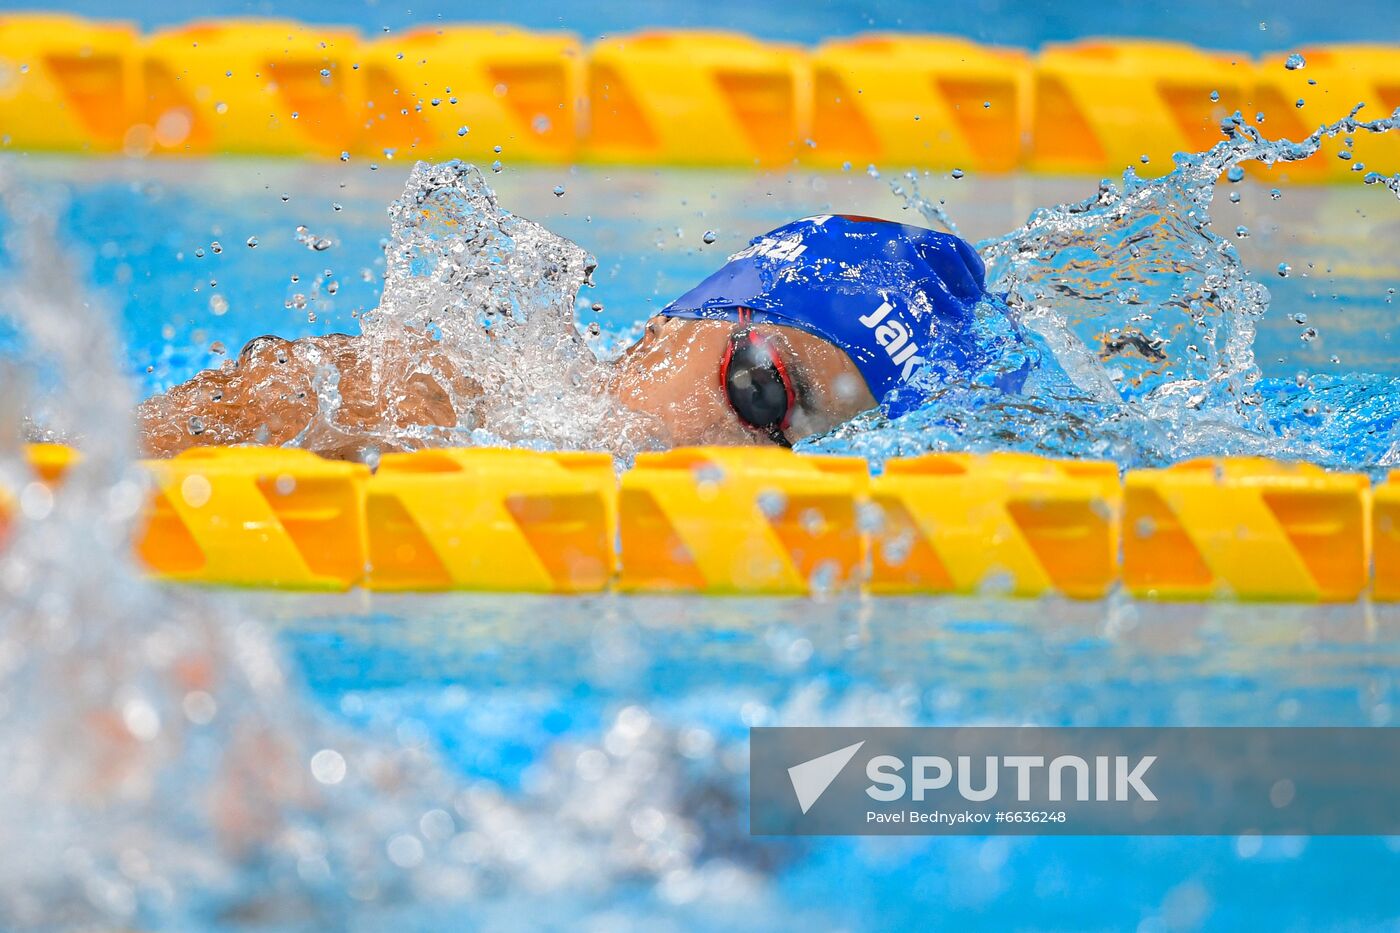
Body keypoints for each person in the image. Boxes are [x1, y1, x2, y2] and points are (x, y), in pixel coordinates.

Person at [139, 214, 1027, 458]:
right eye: (762, 392)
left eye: (809, 452)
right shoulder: (423, 403)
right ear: (672, 326)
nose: (750, 461)